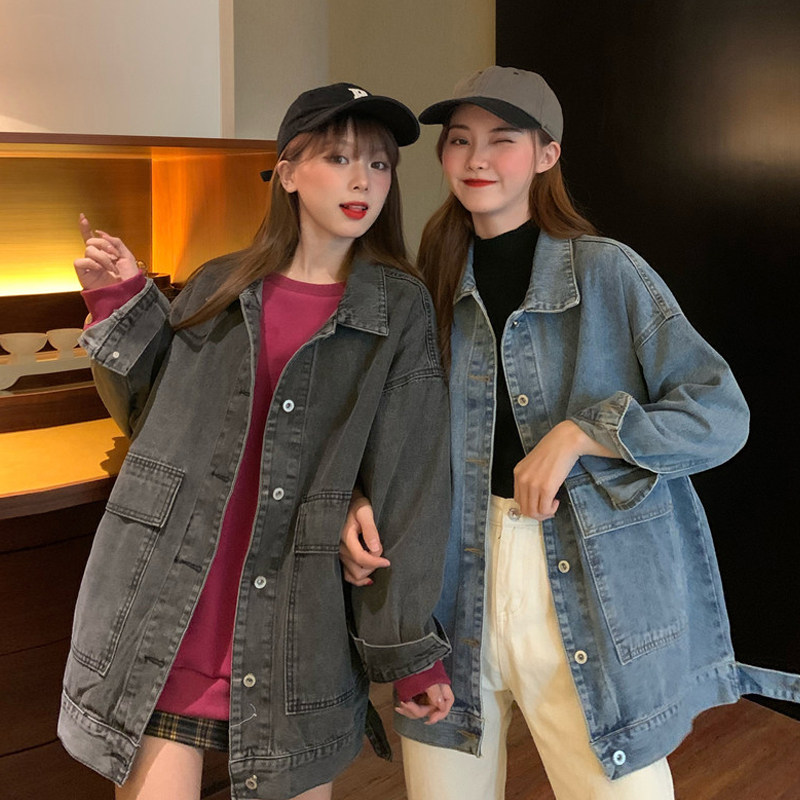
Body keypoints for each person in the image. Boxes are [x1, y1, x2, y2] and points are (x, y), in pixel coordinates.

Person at [340, 66, 800, 800]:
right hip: (445, 580)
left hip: (583, 579)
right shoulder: (427, 281)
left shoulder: (606, 271)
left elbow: (721, 415)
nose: (477, 158)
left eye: (502, 139)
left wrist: (585, 433)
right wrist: (356, 499)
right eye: (459, 140)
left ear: (547, 155)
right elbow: (385, 431)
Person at [58, 82, 455, 800]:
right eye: (338, 158)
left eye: (378, 163)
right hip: (175, 610)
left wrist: (408, 651)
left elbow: (411, 479)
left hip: (295, 633)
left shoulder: (399, 307)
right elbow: (154, 417)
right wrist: (118, 301)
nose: (363, 180)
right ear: (289, 172)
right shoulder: (220, 282)